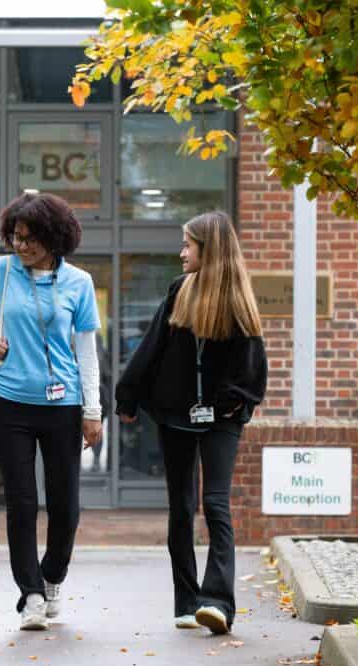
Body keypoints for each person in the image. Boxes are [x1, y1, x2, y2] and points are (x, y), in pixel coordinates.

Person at [115, 211, 267, 636]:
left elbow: (253, 363)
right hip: (176, 413)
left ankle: (218, 602)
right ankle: (186, 601)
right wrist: (128, 395)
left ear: (209, 249)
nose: (182, 253)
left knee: (215, 502)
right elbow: (152, 347)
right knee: (181, 506)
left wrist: (235, 401)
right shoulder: (179, 289)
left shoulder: (238, 299)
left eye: (188, 245)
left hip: (222, 417)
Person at [0, 192, 102, 631]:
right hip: (10, 402)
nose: (20, 246)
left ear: (54, 238)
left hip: (63, 404)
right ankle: (32, 594)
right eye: (15, 237)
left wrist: (92, 409)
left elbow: (86, 352)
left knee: (65, 505)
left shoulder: (79, 283)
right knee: (21, 503)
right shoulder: (1, 272)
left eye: (30, 239)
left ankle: (52, 576)